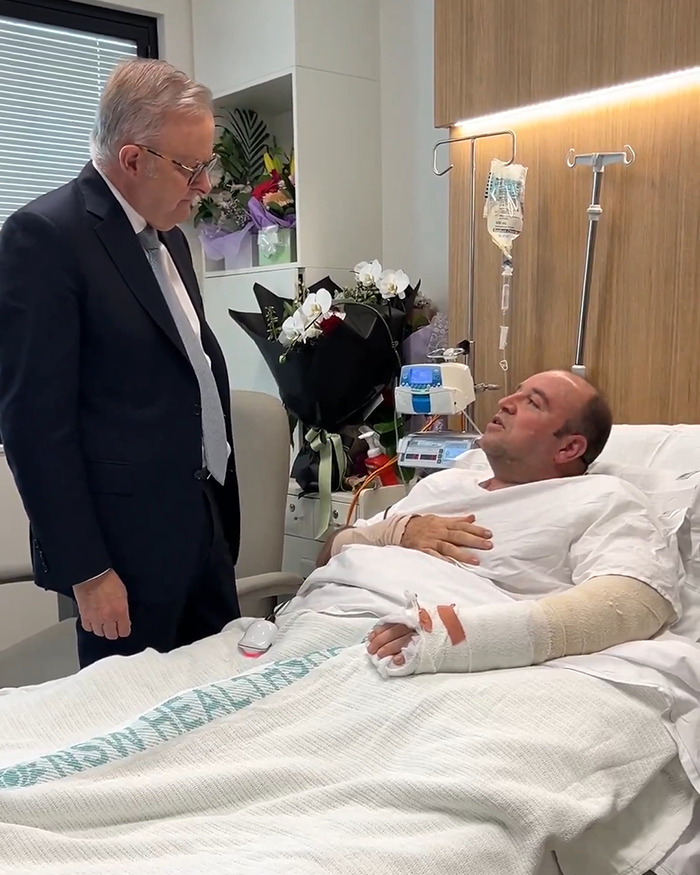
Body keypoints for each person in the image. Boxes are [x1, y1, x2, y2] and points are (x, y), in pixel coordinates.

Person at [0, 59, 241, 668]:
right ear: (132, 160)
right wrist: (88, 573)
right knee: (140, 742)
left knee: (220, 710)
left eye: (206, 165)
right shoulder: (45, 237)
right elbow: (34, 425)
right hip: (123, 556)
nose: (205, 186)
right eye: (191, 168)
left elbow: (184, 374)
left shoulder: (171, 239)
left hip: (201, 527)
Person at [292, 370, 680, 676]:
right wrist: (395, 532)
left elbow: (632, 604)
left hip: (416, 653)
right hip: (313, 627)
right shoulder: (444, 483)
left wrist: (454, 638)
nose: (507, 402)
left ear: (569, 447)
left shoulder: (603, 498)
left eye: (533, 402)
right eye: (515, 391)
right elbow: (327, 555)